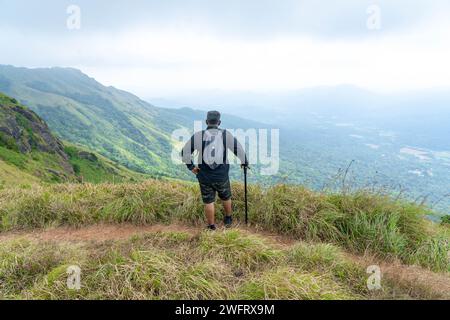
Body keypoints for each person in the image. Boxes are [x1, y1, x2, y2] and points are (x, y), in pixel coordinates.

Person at [182, 111, 248, 230]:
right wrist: (244, 161)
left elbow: (184, 152)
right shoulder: (225, 135)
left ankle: (211, 226)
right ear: (219, 122)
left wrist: (191, 167)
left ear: (206, 122)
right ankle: (228, 218)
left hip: (204, 175)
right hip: (221, 175)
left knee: (208, 201)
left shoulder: (198, 136)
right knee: (226, 196)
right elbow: (238, 149)